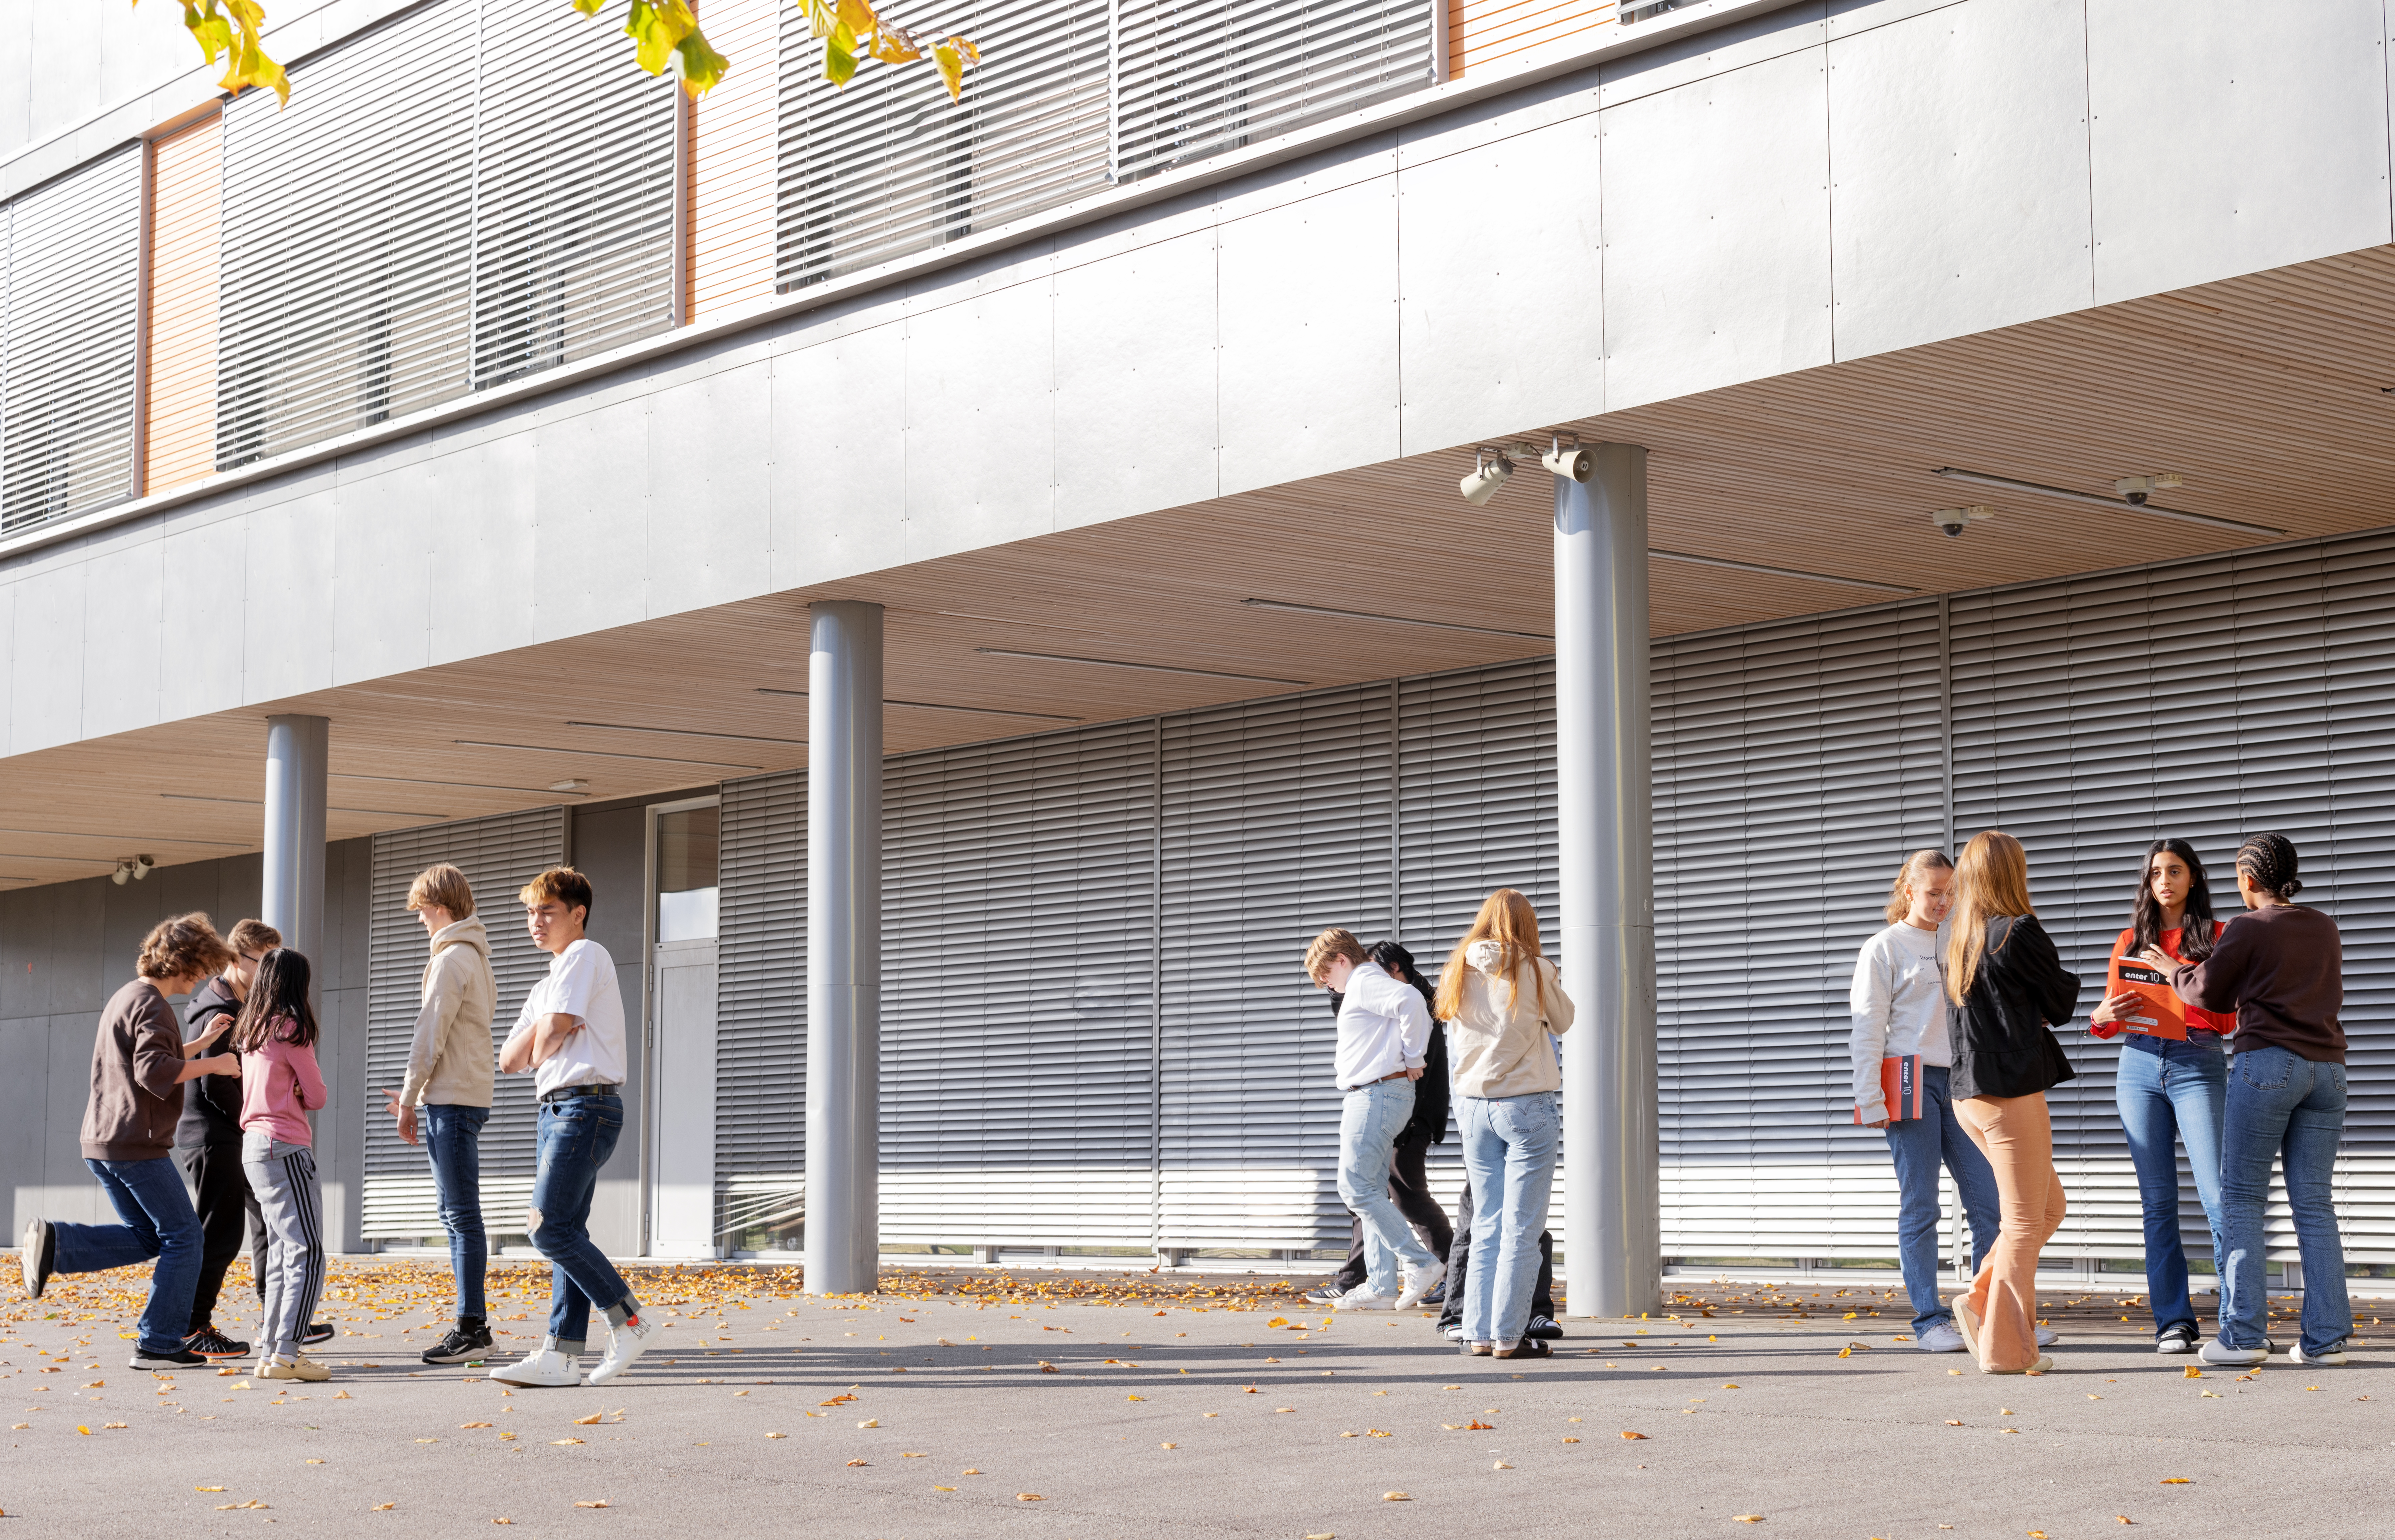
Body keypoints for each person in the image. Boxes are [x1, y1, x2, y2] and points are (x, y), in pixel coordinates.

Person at [2149, 834, 2352, 1367]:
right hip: (2328, 1072)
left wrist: (2173, 972)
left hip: (2268, 1065)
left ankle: (2241, 1337)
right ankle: (2325, 1340)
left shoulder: (2246, 926)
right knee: (2314, 1204)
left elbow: (2206, 993)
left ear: (2247, 880)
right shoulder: (2323, 926)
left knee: (2241, 1198)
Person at [18, 914, 240, 1371]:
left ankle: (57, 1246)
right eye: (200, 966)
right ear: (183, 962)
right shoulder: (154, 1004)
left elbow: (153, 1057)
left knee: (150, 1236)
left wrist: (204, 1042)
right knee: (185, 1238)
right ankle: (159, 1342)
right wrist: (216, 1066)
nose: (202, 976)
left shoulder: (130, 995)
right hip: (134, 1144)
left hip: (106, 1140)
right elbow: (155, 1072)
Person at [489, 867, 658, 1388]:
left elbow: (543, 1042)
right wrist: (550, 1035)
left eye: (548, 911)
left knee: (547, 1228)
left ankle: (628, 1320)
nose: (535, 922)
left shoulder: (587, 956)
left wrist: (549, 1038)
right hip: (556, 1109)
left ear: (577, 914)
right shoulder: (548, 982)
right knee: (567, 1231)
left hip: (586, 1107)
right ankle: (561, 1356)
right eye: (530, 912)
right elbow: (510, 1059)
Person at [1849, 849, 2001, 1354]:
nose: (1943, 902)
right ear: (1908, 891)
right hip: (1909, 1081)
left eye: (1950, 892)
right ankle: (1928, 1321)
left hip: (1962, 1082)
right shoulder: (1885, 947)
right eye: (1933, 892)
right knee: (1921, 1207)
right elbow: (1868, 1024)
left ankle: (1993, 1317)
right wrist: (1868, 1098)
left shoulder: (1965, 941)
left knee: (1990, 1207)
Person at [2088, 839, 2234, 1354]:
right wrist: (2098, 1020)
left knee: (2218, 1197)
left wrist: (2178, 983)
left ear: (2192, 877)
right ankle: (2173, 1321)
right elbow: (2109, 1016)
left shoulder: (2219, 937)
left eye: (2173, 871)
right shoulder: (2129, 940)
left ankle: (2236, 1319)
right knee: (2156, 1203)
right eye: (2155, 874)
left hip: (2196, 1059)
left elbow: (2227, 1019)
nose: (2164, 881)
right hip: (2138, 1064)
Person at [1945, 831, 2080, 1375]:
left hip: (1969, 1096)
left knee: (2047, 1210)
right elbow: (2061, 1002)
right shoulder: (2018, 931)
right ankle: (2007, 1349)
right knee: (2026, 1222)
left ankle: (1980, 1295)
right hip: (2009, 1096)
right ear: (2011, 873)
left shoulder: (1957, 936)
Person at [1434, 888, 1574, 1361]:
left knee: (1486, 1223)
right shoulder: (1534, 968)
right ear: (1526, 924)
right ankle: (1510, 1337)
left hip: (1472, 1106)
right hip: (1524, 1105)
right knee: (1522, 1227)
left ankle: (1475, 1332)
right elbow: (1563, 1020)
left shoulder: (1457, 968)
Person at [381, 863, 499, 1366]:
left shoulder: (451, 958)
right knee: (455, 1216)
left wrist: (410, 1099)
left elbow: (430, 1034)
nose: (421, 922)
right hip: (460, 1096)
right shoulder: (475, 956)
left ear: (440, 907)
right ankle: (473, 1324)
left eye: (422, 912)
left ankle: (471, 1326)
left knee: (461, 1216)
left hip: (451, 1099)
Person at [1307, 941, 1455, 1309]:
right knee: (1371, 1188)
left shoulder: (1362, 979)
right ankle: (1381, 1284)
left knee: (1355, 1186)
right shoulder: (1361, 982)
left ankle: (1420, 1262)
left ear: (1341, 960)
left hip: (1375, 1094)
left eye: (1327, 975)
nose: (1329, 985)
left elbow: (1412, 1001)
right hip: (1375, 1092)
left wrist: (1414, 1056)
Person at [174, 920, 278, 1360]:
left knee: (270, 1222)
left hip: (233, 1132)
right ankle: (192, 1325)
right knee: (220, 1232)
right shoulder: (215, 1007)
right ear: (237, 959)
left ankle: (280, 1315)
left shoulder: (242, 1001)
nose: (270, 971)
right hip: (215, 1135)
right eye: (264, 962)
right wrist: (253, 1122)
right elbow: (212, 1083)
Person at [236, 948, 332, 1382]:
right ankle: (288, 1354)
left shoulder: (252, 1029)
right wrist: (295, 1090)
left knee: (281, 1253)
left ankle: (273, 1351)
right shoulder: (292, 1029)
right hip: (286, 1146)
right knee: (307, 1251)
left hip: (254, 1146)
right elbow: (316, 1096)